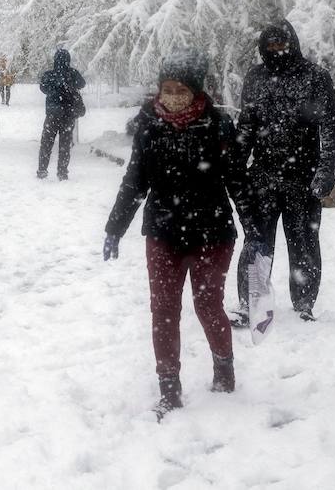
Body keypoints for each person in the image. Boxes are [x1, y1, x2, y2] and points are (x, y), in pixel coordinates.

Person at [102, 49, 241, 420]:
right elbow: (135, 181)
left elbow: (238, 182)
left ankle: (224, 369)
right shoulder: (150, 125)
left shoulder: (217, 126)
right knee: (163, 310)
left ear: (196, 90)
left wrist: (258, 232)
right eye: (166, 87)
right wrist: (115, 227)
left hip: (212, 232)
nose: (171, 95)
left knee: (207, 305)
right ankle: (169, 388)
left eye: (180, 88)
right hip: (163, 232)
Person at [231, 20, 335, 324]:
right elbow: (247, 125)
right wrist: (235, 165)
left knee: (304, 244)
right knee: (256, 243)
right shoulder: (255, 77)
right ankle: (250, 303)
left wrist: (327, 169)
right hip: (263, 177)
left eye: (281, 44)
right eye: (270, 45)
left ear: (292, 43)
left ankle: (304, 303)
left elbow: (329, 125)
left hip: (302, 179)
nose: (276, 50)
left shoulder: (315, 77)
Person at [37, 47, 86, 180]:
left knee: (46, 143)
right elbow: (82, 84)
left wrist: (55, 89)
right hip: (68, 116)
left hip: (52, 115)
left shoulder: (49, 75)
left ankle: (42, 170)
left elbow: (43, 88)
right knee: (65, 145)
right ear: (68, 60)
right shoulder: (73, 73)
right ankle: (62, 172)